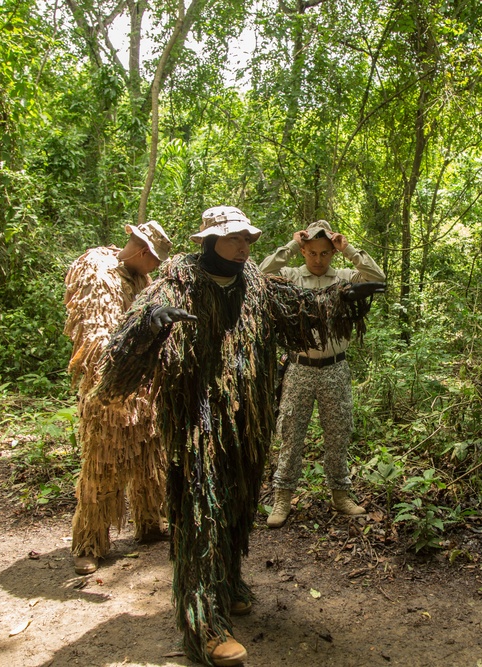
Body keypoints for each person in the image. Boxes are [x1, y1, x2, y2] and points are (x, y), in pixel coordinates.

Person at [93, 206, 383, 667]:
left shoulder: (253, 282)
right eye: (235, 239)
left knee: (236, 507)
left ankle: (226, 585)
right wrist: (153, 321)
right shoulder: (179, 278)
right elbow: (129, 331)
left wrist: (344, 301)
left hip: (245, 419)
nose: (245, 246)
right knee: (201, 513)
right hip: (197, 420)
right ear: (209, 241)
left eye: (248, 238)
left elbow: (298, 313)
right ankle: (202, 624)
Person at [259, 219, 386, 528]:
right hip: (299, 369)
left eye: (325, 253)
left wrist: (349, 249)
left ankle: (341, 495)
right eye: (312, 253)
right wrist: (289, 246)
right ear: (304, 251)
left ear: (332, 253)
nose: (318, 260)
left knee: (338, 434)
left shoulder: (343, 278)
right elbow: (260, 275)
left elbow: (377, 277)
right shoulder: (289, 277)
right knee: (291, 434)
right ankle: (282, 499)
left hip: (335, 369)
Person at [63, 221, 173, 575]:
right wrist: (115, 371)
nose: (155, 270)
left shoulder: (139, 277)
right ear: (143, 253)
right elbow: (96, 333)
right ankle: (89, 542)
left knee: (149, 458)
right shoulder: (98, 271)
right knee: (104, 466)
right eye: (155, 263)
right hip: (109, 388)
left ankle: (149, 522)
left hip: (144, 387)